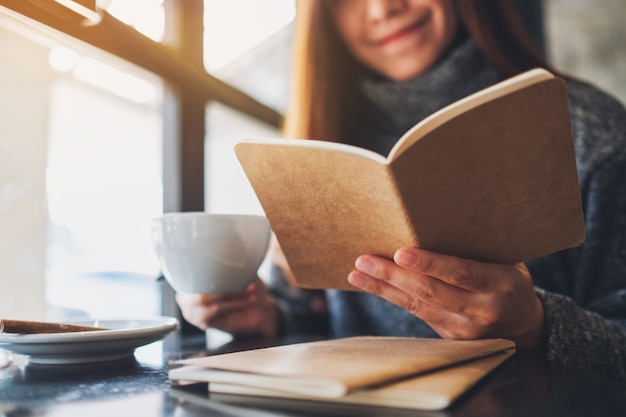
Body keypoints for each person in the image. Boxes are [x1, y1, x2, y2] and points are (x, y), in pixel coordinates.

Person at [176, 0, 626, 387]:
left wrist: (537, 325)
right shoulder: (322, 138)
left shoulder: (592, 135)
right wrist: (269, 318)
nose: (382, 9)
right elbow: (315, 315)